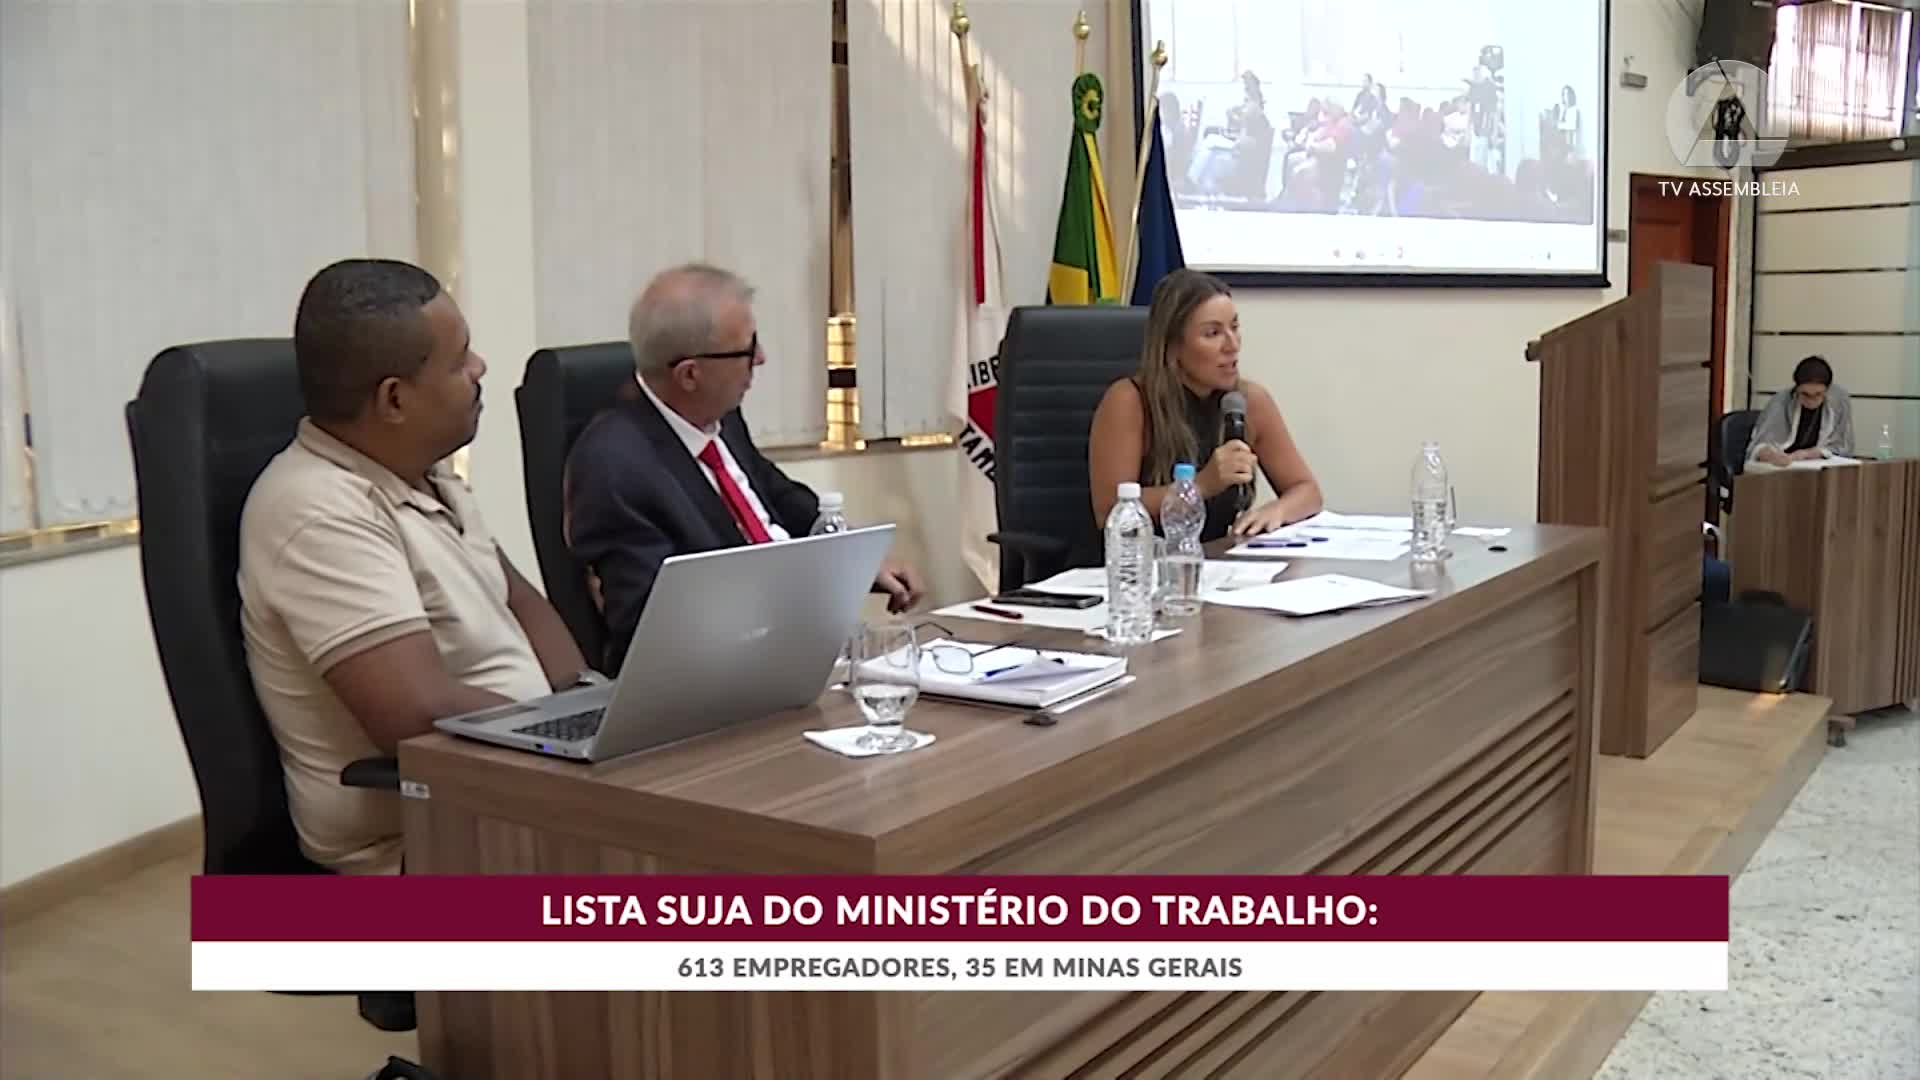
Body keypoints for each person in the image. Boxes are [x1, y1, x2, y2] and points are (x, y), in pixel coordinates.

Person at [239, 258, 593, 876]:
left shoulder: (426, 479)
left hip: (520, 793)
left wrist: (593, 704)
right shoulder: (317, 512)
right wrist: (571, 741)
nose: (480, 368)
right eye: (459, 360)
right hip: (420, 853)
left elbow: (523, 607)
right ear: (395, 399)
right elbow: (415, 716)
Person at [565, 264, 925, 674]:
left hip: (804, 650)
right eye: (746, 351)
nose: (762, 358)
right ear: (690, 375)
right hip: (725, 676)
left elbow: (778, 495)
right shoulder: (614, 466)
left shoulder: (718, 415)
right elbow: (651, 628)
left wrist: (855, 558)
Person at [1087, 268, 1323, 540]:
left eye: (1234, 327)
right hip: (1133, 560)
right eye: (1213, 333)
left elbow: (1307, 491)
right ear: (1173, 346)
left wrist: (1277, 510)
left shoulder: (1249, 401)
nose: (1232, 345)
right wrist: (1201, 485)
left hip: (1212, 559)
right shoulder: (1130, 400)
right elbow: (1109, 510)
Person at [1747, 355, 1854, 467]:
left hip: (1818, 465)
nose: (1811, 401)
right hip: (1784, 465)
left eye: (1818, 394)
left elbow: (1842, 447)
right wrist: (1771, 455)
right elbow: (1758, 446)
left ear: (1827, 390)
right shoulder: (1780, 402)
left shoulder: (1838, 401)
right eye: (1805, 394)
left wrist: (1810, 453)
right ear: (1796, 389)